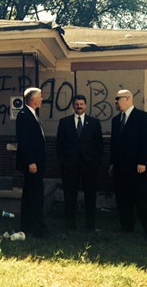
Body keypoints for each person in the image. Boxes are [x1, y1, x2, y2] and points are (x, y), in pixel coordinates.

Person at [109, 89, 147, 238]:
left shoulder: (143, 117)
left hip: (138, 167)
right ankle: (126, 227)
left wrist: (142, 161)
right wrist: (112, 163)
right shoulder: (116, 120)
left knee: (143, 199)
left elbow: (146, 141)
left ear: (129, 98)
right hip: (120, 167)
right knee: (123, 199)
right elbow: (114, 144)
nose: (116, 102)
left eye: (119, 98)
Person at [56, 94, 103, 231]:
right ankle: (70, 225)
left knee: (90, 197)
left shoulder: (94, 122)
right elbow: (59, 144)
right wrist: (63, 161)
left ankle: (90, 225)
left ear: (86, 105)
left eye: (82, 104)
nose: (79, 106)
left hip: (89, 166)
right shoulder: (64, 122)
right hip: (70, 166)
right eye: (77, 104)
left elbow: (99, 145)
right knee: (70, 197)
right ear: (73, 106)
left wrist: (96, 162)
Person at [15, 87, 48, 238]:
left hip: (36, 162)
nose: (42, 99)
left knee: (29, 194)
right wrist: (30, 162)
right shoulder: (24, 115)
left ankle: (27, 225)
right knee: (35, 195)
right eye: (40, 97)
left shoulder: (32, 114)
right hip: (32, 164)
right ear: (33, 99)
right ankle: (37, 228)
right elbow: (24, 142)